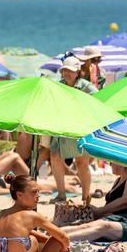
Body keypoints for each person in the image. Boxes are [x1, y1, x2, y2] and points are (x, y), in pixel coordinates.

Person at [0, 175, 70, 252]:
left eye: (38, 192)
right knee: (57, 240)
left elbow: (23, 234)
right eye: (34, 192)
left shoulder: (2, 214)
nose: (38, 196)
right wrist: (64, 251)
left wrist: (45, 241)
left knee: (32, 240)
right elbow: (64, 237)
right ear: (19, 195)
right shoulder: (31, 215)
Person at [49, 56, 97, 206]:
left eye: (70, 71)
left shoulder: (86, 87)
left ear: (78, 72)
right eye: (64, 70)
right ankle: (61, 195)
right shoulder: (58, 86)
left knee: (82, 162)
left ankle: (85, 196)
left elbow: (99, 100)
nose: (66, 73)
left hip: (80, 127)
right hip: (62, 126)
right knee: (55, 156)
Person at [61, 164, 127, 242]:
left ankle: (61, 240)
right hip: (114, 219)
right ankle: (54, 235)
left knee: (103, 226)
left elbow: (126, 201)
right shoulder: (118, 180)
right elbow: (111, 207)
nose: (110, 165)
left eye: (110, 162)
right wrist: (91, 208)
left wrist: (100, 210)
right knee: (84, 225)